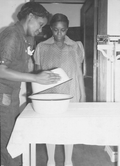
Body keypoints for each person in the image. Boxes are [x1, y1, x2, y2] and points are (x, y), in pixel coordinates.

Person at [0, 3, 61, 166]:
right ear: (31, 17)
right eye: (40, 24)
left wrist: (41, 76)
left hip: (11, 95)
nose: (41, 30)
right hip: (2, 97)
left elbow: (25, 67)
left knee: (13, 142)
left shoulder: (27, 38)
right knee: (10, 147)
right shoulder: (11, 35)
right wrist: (34, 78)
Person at [33, 13, 86, 166]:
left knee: (69, 127)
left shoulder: (76, 46)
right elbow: (37, 74)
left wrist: (83, 96)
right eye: (55, 30)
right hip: (49, 94)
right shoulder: (42, 47)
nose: (59, 34)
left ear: (67, 29)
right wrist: (36, 96)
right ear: (51, 28)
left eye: (62, 30)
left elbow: (78, 72)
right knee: (51, 127)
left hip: (71, 92)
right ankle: (51, 160)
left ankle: (68, 161)